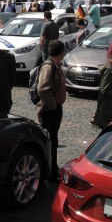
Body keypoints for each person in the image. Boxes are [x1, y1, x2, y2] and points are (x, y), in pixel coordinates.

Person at [36, 39, 66, 184]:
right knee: (50, 142)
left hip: (54, 109)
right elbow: (42, 89)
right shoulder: (49, 67)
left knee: (52, 141)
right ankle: (50, 173)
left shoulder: (55, 65)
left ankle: (52, 169)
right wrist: (53, 105)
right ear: (61, 52)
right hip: (49, 111)